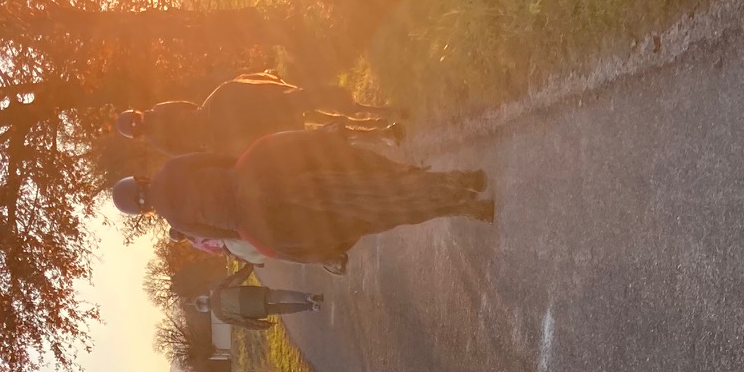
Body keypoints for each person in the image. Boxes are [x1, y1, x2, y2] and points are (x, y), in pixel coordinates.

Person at [112, 128, 491, 268]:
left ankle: (463, 207)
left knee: (359, 222)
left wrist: (250, 227)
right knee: (314, 148)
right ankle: (453, 181)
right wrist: (251, 163)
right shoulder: (172, 168)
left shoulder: (175, 222)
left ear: (143, 210)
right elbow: (220, 159)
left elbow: (226, 234)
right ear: (140, 180)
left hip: (254, 225)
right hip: (248, 174)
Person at [115, 71, 403, 159]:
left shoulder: (157, 143)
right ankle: (374, 113)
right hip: (215, 107)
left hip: (221, 139)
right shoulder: (158, 109)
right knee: (293, 97)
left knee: (291, 144)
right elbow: (187, 106)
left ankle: (378, 136)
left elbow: (189, 152)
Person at [196, 268, 323, 330]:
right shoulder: (218, 291)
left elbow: (243, 322)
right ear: (205, 297)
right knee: (281, 295)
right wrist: (249, 266)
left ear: (206, 310)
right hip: (255, 294)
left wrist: (263, 325)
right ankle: (307, 297)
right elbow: (237, 279)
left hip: (257, 311)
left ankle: (311, 307)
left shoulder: (220, 316)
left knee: (282, 308)